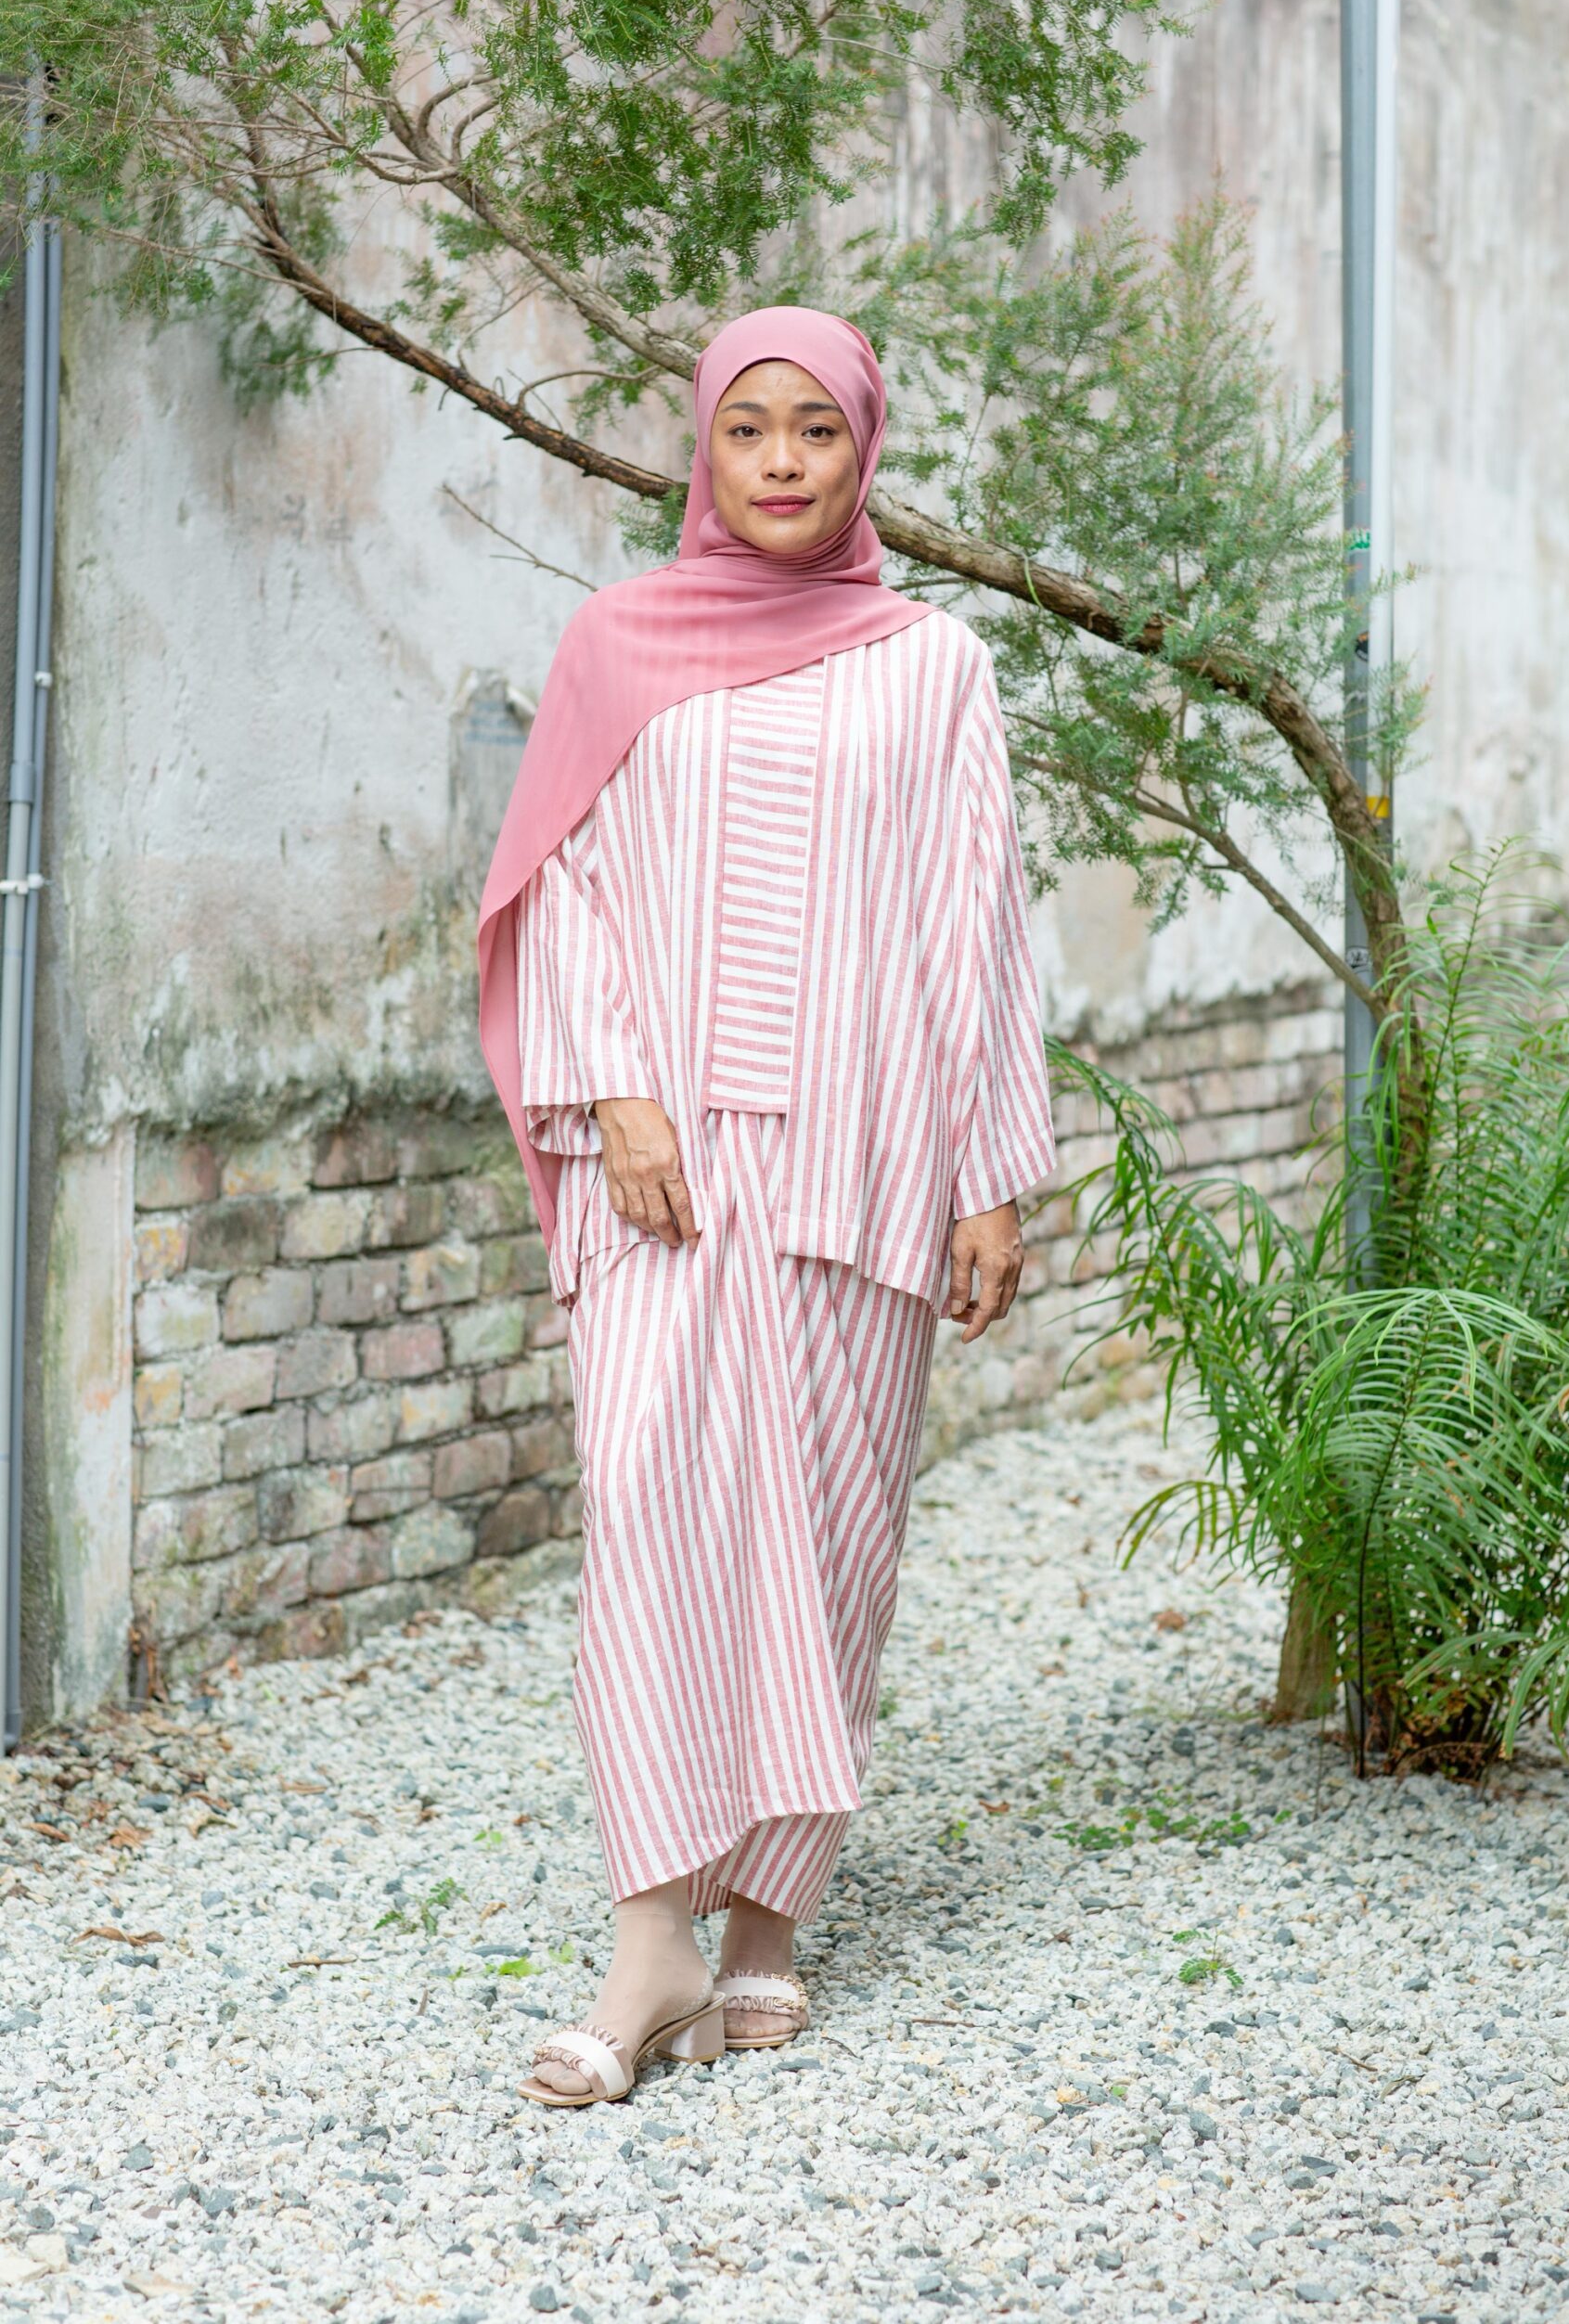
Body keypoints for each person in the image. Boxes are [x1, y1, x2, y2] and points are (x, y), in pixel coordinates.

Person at [477, 306, 1056, 2108]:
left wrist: (988, 1176)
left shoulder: (933, 666)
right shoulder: (614, 645)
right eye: (750, 428)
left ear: (862, 449)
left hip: (861, 1171)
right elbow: (560, 886)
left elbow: (974, 923)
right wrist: (614, 1092)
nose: (783, 460)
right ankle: (651, 1935)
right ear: (703, 451)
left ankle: (768, 1918)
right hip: (658, 1176)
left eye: (817, 427)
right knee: (652, 1522)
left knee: (826, 1538)